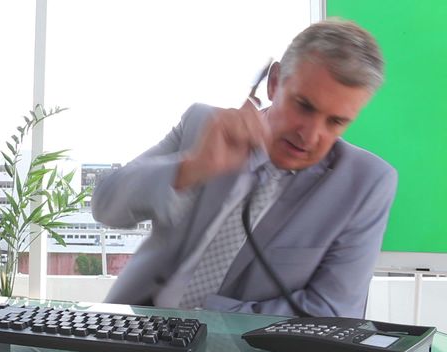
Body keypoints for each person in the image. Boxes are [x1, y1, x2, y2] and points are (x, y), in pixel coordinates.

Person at [91, 19, 397, 318]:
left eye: (336, 122)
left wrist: (199, 320)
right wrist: (191, 167)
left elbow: (333, 312)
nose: (311, 135)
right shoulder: (202, 124)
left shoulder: (365, 184)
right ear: (275, 82)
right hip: (132, 334)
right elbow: (105, 206)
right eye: (303, 105)